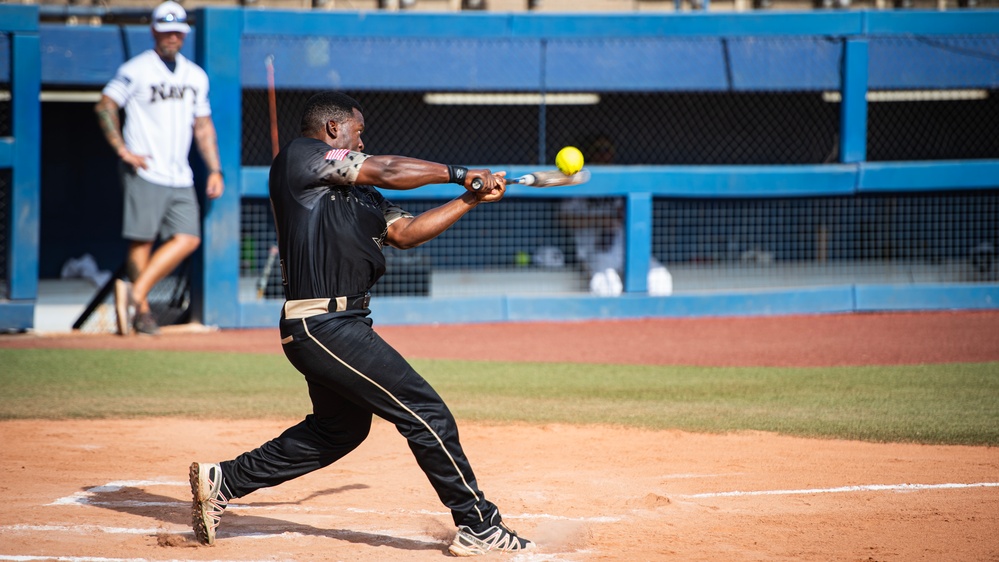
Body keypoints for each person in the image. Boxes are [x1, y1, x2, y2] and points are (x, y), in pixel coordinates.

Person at [188, 92, 534, 556]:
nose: (362, 139)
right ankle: (479, 526)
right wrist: (458, 171)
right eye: (357, 130)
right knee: (425, 411)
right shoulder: (301, 157)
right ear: (333, 130)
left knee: (340, 431)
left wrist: (468, 199)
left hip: (346, 322)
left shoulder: (363, 193)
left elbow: (406, 233)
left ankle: (226, 480)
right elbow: (387, 167)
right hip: (321, 322)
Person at [94, 0, 225, 336]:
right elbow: (106, 105)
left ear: (184, 35)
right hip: (145, 169)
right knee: (142, 241)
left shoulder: (194, 75)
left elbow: (203, 126)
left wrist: (214, 169)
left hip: (180, 172)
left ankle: (134, 293)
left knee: (188, 238)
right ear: (154, 31)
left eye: (178, 32)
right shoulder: (136, 69)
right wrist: (123, 150)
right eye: (166, 31)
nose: (172, 38)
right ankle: (143, 310)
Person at [558, 135, 672, 296]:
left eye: (607, 150)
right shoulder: (577, 183)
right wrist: (601, 220)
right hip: (595, 251)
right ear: (588, 155)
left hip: (626, 249)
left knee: (660, 279)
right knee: (607, 286)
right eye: (598, 150)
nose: (603, 155)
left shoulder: (620, 183)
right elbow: (565, 218)